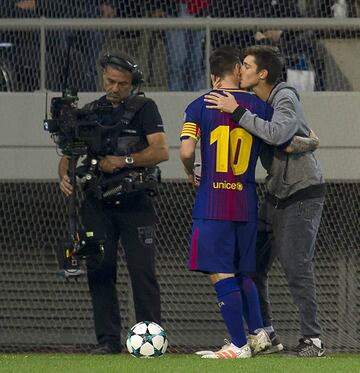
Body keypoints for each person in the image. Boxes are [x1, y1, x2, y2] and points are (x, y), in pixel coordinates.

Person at [204, 45, 326, 357]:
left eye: (246, 65)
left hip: (301, 192)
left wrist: (237, 111)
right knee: (251, 265)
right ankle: (266, 334)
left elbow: (278, 133)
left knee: (296, 266)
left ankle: (313, 340)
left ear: (262, 74)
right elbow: (283, 137)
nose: (240, 69)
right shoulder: (257, 101)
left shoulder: (284, 95)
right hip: (275, 195)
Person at [58, 52, 169, 354]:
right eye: (110, 81)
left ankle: (151, 342)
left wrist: (124, 160)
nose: (115, 88)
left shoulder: (145, 108)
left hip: (135, 202)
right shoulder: (90, 111)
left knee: (142, 272)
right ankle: (107, 341)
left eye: (121, 83)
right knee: (99, 269)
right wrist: (64, 176)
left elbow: (161, 151)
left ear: (132, 83)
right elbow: (69, 155)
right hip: (96, 204)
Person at [180, 46, 272, 359]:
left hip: (213, 202)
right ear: (238, 69)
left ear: (213, 77)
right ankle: (258, 333)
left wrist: (190, 171)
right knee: (243, 272)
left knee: (221, 273)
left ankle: (238, 344)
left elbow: (185, 151)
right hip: (246, 201)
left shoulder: (199, 104)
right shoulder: (259, 105)